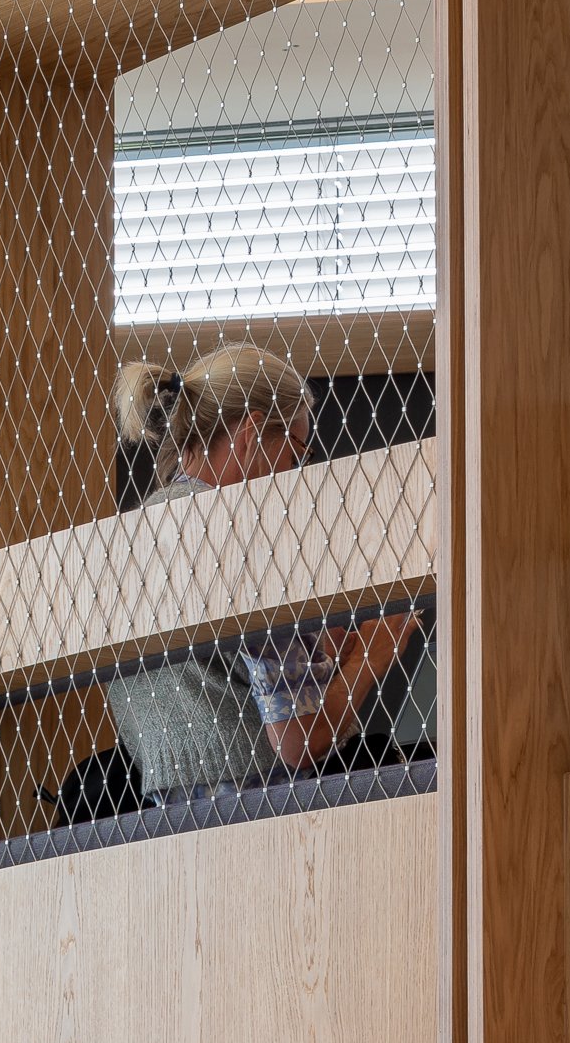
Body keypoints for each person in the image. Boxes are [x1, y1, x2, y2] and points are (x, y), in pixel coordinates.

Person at [95, 343, 431, 809]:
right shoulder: (242, 534)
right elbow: (297, 741)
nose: (295, 476)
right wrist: (373, 652)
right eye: (295, 453)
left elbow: (211, 678)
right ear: (251, 435)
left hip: (166, 818)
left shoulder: (127, 540)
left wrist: (321, 656)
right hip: (265, 813)